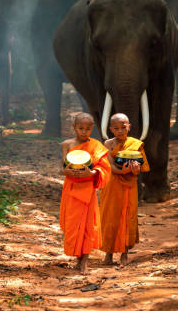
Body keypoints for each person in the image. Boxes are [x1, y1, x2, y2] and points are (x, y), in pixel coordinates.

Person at [59, 112, 110, 274]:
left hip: (87, 189)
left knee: (89, 225)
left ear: (92, 129)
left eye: (88, 129)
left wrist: (92, 174)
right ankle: (77, 259)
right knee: (73, 224)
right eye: (81, 128)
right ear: (74, 127)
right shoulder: (66, 144)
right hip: (71, 188)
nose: (84, 132)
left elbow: (104, 168)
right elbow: (62, 168)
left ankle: (85, 262)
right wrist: (67, 172)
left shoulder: (96, 146)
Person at [100, 113, 150, 266]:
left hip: (129, 186)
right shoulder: (108, 144)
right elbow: (110, 166)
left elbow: (142, 167)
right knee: (110, 217)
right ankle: (108, 254)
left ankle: (124, 254)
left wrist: (134, 170)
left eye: (123, 127)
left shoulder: (136, 144)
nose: (120, 131)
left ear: (129, 127)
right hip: (112, 185)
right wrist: (122, 171)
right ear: (111, 129)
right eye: (116, 128)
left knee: (127, 216)